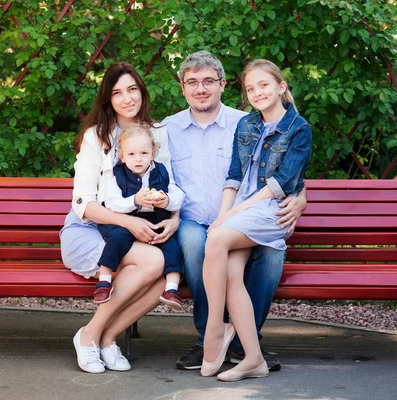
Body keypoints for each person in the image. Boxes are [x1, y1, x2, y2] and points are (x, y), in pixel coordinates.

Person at [161, 51, 308, 372]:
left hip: (244, 221)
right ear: (182, 87)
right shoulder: (167, 129)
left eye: (208, 81)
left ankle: (244, 343)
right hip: (190, 222)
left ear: (223, 84)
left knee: (271, 257)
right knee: (195, 243)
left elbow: (283, 170)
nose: (201, 89)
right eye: (192, 82)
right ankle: (207, 339)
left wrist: (302, 196)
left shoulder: (242, 123)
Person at [60, 62, 179, 374]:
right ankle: (89, 334)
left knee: (171, 267)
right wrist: (128, 222)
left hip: (138, 227)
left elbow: (169, 184)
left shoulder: (157, 134)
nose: (127, 98)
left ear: (141, 92)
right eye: (117, 93)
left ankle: (109, 338)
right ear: (108, 100)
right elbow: (83, 202)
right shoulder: (95, 136)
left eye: (132, 89)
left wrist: (175, 219)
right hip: (90, 229)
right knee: (154, 262)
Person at [201, 59, 311, 381]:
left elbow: (283, 181)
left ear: (280, 86)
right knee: (232, 272)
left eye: (263, 85)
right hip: (241, 210)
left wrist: (234, 213)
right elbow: (234, 175)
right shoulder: (247, 125)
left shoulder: (298, 128)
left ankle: (214, 329)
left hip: (270, 210)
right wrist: (225, 212)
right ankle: (253, 359)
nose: (257, 92)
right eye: (250, 88)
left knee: (216, 239)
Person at [95, 124, 185, 310]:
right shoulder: (118, 175)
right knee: (116, 239)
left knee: (172, 247)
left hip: (154, 222)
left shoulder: (161, 172)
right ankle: (104, 280)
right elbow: (111, 203)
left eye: (144, 153)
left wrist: (166, 201)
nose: (138, 159)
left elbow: (178, 196)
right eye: (131, 154)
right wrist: (134, 200)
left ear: (152, 153)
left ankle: (171, 289)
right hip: (126, 222)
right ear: (122, 156)